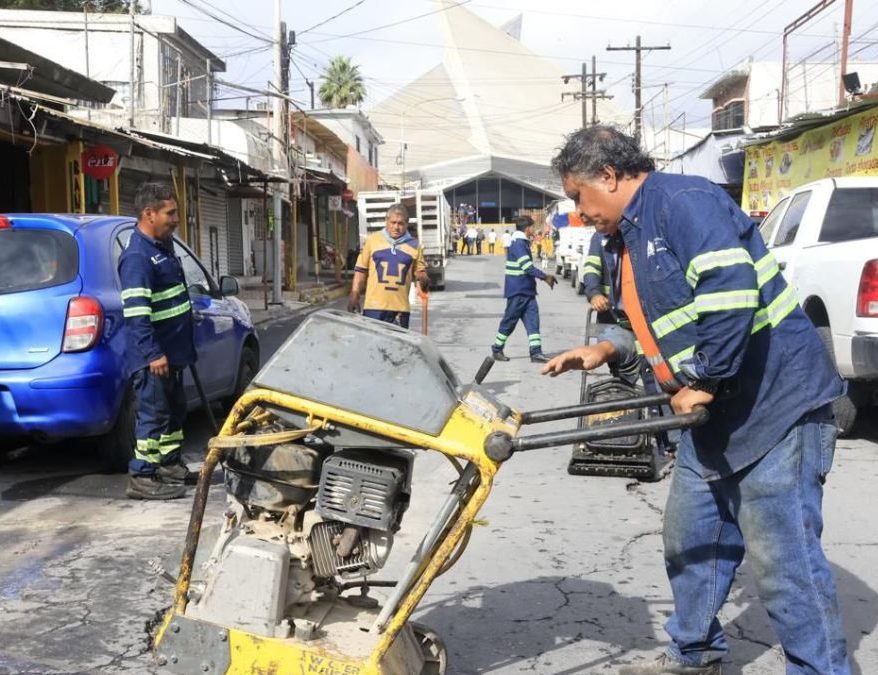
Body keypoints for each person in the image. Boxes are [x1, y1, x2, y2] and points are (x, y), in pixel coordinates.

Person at [543, 126, 849, 674]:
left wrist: (703, 381)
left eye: (577, 197)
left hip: (775, 405)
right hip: (710, 415)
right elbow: (638, 322)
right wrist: (603, 349)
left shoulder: (685, 203)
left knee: (786, 565)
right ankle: (695, 653)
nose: (577, 212)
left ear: (608, 177)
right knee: (691, 538)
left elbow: (730, 296)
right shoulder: (623, 241)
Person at [118, 182, 196, 500]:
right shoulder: (137, 257)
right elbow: (136, 314)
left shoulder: (162, 249)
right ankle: (143, 476)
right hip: (154, 357)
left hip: (172, 354)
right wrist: (153, 353)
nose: (176, 219)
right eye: (170, 213)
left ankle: (168, 465)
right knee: (152, 417)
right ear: (149, 214)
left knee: (173, 412)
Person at [347, 203, 429, 329]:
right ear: (386, 221)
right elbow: (361, 271)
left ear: (407, 224)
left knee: (397, 348)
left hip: (400, 310)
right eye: (393, 222)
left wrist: (422, 278)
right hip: (374, 308)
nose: (396, 227)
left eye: (400, 223)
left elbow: (420, 273)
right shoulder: (372, 241)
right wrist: (355, 294)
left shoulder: (415, 245)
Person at [491, 215, 557, 363]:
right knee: (509, 321)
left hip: (527, 291)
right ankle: (497, 349)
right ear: (527, 228)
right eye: (532, 227)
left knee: (533, 321)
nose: (534, 229)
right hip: (518, 291)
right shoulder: (519, 243)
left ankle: (536, 352)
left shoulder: (522, 242)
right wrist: (545, 277)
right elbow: (527, 267)